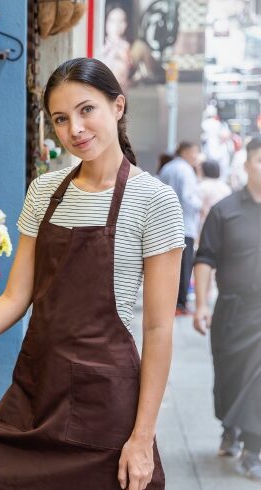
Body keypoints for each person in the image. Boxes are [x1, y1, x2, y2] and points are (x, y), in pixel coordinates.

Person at [0, 58, 184, 490]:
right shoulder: (44, 192)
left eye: (86, 109)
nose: (75, 128)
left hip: (105, 404)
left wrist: (142, 437)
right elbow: (15, 299)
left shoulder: (155, 201)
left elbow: (159, 328)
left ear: (118, 106)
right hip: (36, 390)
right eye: (60, 118)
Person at [193, 135, 261, 481]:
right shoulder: (225, 211)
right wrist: (202, 304)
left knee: (257, 376)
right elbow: (204, 259)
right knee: (229, 380)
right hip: (231, 311)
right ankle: (231, 426)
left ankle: (253, 446)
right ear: (247, 163)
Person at [158, 141, 202, 314]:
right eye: (194, 152)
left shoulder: (167, 168)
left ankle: (167, 303)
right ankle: (180, 304)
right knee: (183, 268)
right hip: (184, 226)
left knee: (166, 267)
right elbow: (189, 198)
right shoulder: (185, 170)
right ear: (184, 151)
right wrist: (202, 206)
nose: (195, 156)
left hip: (164, 226)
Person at [196, 159, 231, 231]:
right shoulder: (226, 187)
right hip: (224, 222)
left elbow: (198, 206)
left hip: (206, 223)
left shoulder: (203, 186)